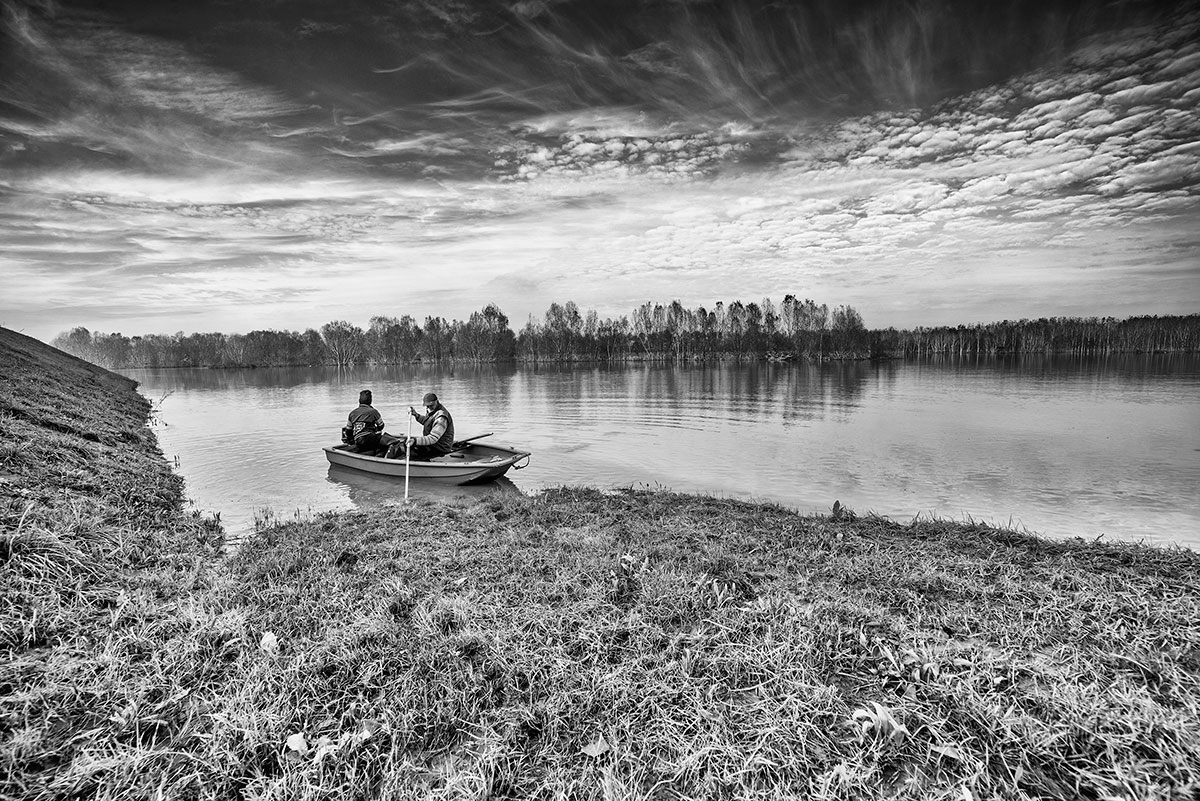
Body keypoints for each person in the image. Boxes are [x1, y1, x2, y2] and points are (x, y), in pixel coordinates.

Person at [387, 391, 454, 460]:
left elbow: (433, 438)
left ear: (437, 401)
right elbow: (427, 422)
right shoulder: (432, 411)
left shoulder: (441, 417)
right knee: (403, 444)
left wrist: (415, 441)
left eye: (431, 405)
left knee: (412, 449)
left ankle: (419, 463)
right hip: (433, 445)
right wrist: (416, 415)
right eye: (427, 406)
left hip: (439, 448)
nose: (429, 408)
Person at [343, 389, 386, 453]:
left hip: (358, 441)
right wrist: (376, 430)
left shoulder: (352, 413)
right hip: (370, 439)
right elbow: (381, 425)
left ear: (359, 400)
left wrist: (351, 441)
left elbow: (348, 431)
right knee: (390, 441)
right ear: (370, 401)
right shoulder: (373, 412)